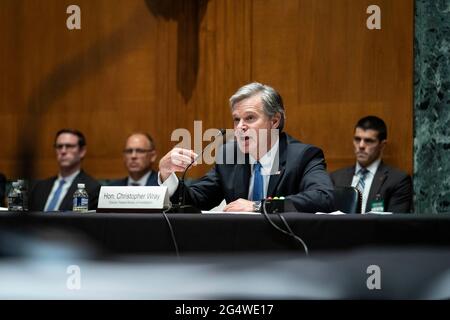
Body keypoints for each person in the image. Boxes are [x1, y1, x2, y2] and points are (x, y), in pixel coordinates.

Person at [158, 82, 335, 213]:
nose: (240, 127)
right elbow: (195, 200)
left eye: (250, 118)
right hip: (239, 250)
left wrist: (258, 206)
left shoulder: (303, 156)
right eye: (236, 119)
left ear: (274, 121)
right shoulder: (231, 155)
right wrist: (167, 174)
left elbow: (323, 197)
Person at [330, 116, 412, 213]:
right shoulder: (335, 178)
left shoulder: (398, 181)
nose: (361, 146)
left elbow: (397, 224)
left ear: (382, 145)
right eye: (357, 139)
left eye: (368, 141)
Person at [28, 129, 100, 211]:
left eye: (69, 146)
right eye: (59, 146)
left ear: (82, 151)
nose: (63, 151)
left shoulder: (92, 188)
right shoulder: (39, 187)